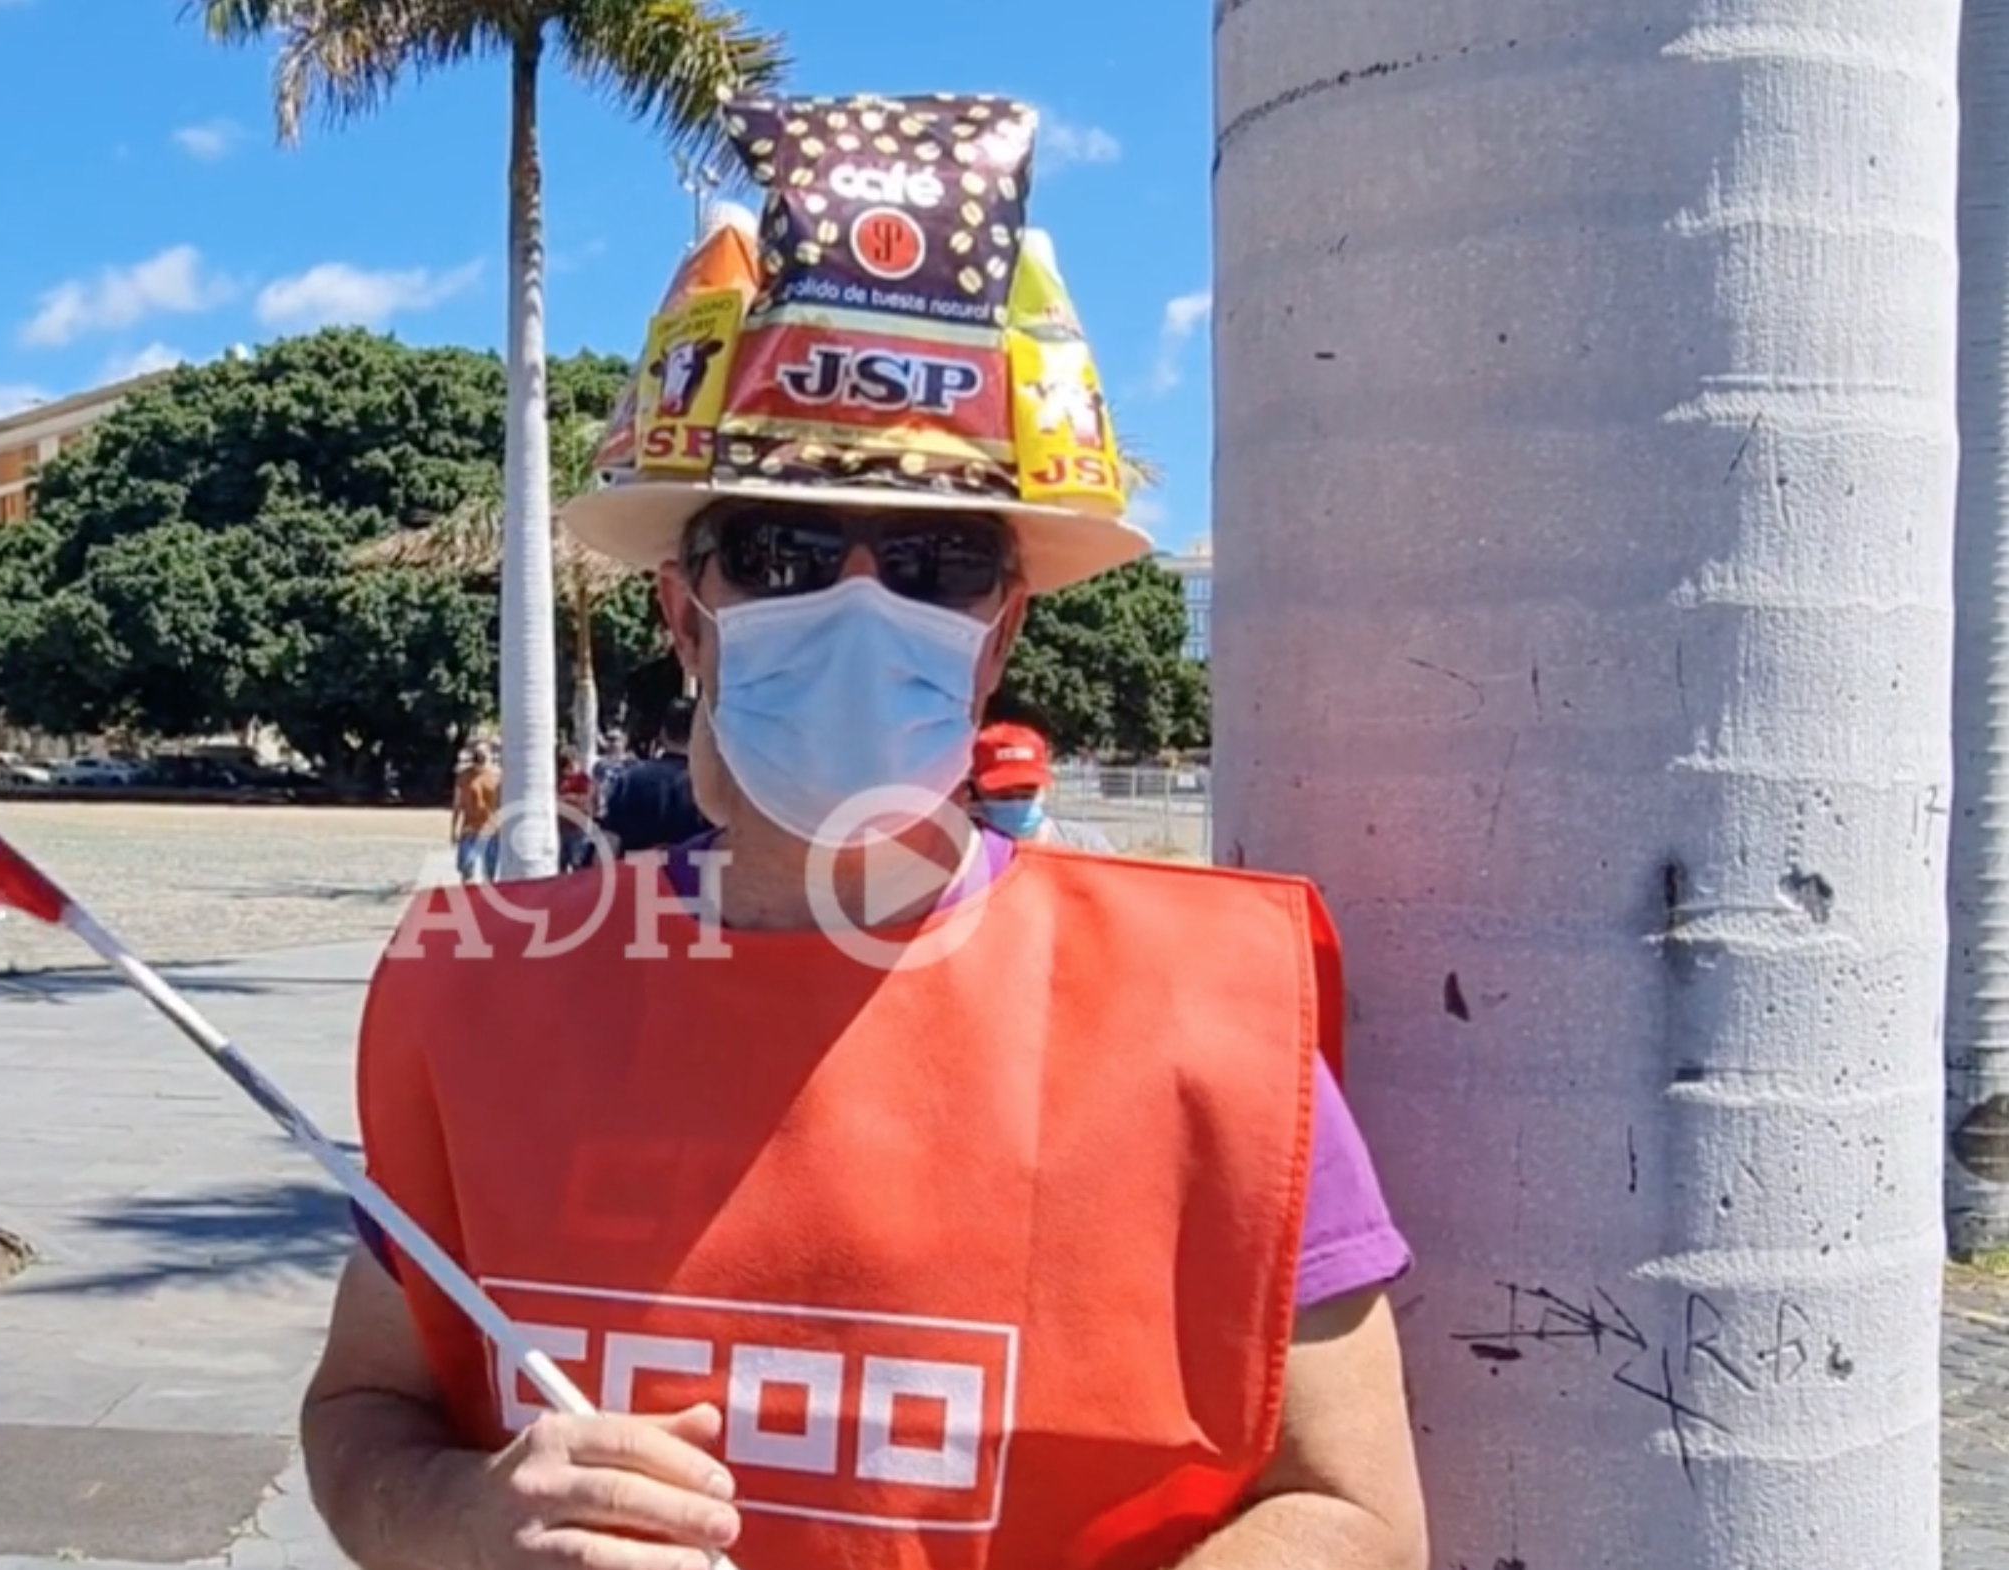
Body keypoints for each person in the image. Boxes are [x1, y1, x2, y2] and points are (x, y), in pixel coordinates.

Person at [302, 90, 1425, 1570]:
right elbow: (362, 1405)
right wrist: (458, 1515)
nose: (857, 604)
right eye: (777, 547)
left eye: (937, 559)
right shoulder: (482, 1004)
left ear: (1001, 623)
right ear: (683, 614)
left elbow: (1354, 1510)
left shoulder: (1208, 1022)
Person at [966, 720, 1113, 851]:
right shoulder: (963, 855)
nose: (1016, 803)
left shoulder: (1085, 846)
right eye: (1003, 794)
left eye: (1028, 790)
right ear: (976, 788)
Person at [591, 697, 710, 857]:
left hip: (638, 878)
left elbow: (609, 844)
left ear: (663, 733)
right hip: (697, 879)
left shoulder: (629, 779)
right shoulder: (712, 787)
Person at [449, 743, 501, 883]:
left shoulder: (497, 776)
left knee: (489, 874)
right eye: (477, 752)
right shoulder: (464, 777)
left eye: (483, 753)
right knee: (466, 869)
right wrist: (453, 829)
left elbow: (503, 804)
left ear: (489, 755)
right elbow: (457, 804)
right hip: (469, 829)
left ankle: (484, 903)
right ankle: (469, 898)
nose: (480, 756)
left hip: (491, 830)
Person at [556, 746, 595, 870]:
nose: (566, 770)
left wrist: (565, 798)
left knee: (577, 861)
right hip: (562, 827)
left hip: (578, 827)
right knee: (562, 862)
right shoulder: (561, 780)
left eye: (569, 765)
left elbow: (586, 800)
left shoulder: (584, 780)